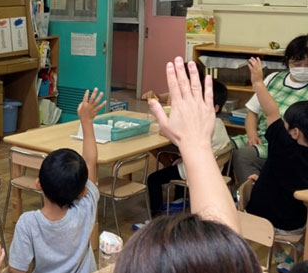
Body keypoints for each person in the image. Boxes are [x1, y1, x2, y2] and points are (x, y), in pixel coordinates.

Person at [114, 57, 262, 273]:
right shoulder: (217, 123)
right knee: (169, 159)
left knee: (155, 177)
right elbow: (224, 248)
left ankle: (155, 216)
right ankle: (177, 199)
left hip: (191, 170)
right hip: (210, 169)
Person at [9, 88, 106, 273]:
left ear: (38, 184)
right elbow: (90, 162)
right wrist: (87, 121)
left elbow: (16, 270)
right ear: (83, 191)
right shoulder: (86, 206)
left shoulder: (28, 223)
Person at [244, 57, 308, 271]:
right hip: (296, 224)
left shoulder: (283, 144)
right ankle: (285, 258)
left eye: (287, 125)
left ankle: (277, 255)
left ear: (295, 132)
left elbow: (271, 112)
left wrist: (259, 82)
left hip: (263, 217)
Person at [147, 80, 230, 217]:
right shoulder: (219, 122)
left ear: (215, 108)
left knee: (153, 179)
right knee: (174, 159)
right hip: (213, 167)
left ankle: (156, 218)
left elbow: (168, 133)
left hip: (195, 170)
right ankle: (180, 200)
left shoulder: (200, 125)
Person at [232, 35, 308, 184]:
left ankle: (252, 200)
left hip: (289, 146)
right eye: (297, 63)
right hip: (261, 137)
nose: (303, 69)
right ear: (288, 61)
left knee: (244, 155)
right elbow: (252, 113)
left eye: (307, 64)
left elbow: (272, 114)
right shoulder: (273, 78)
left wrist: (258, 83)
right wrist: (252, 135)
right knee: (220, 148)